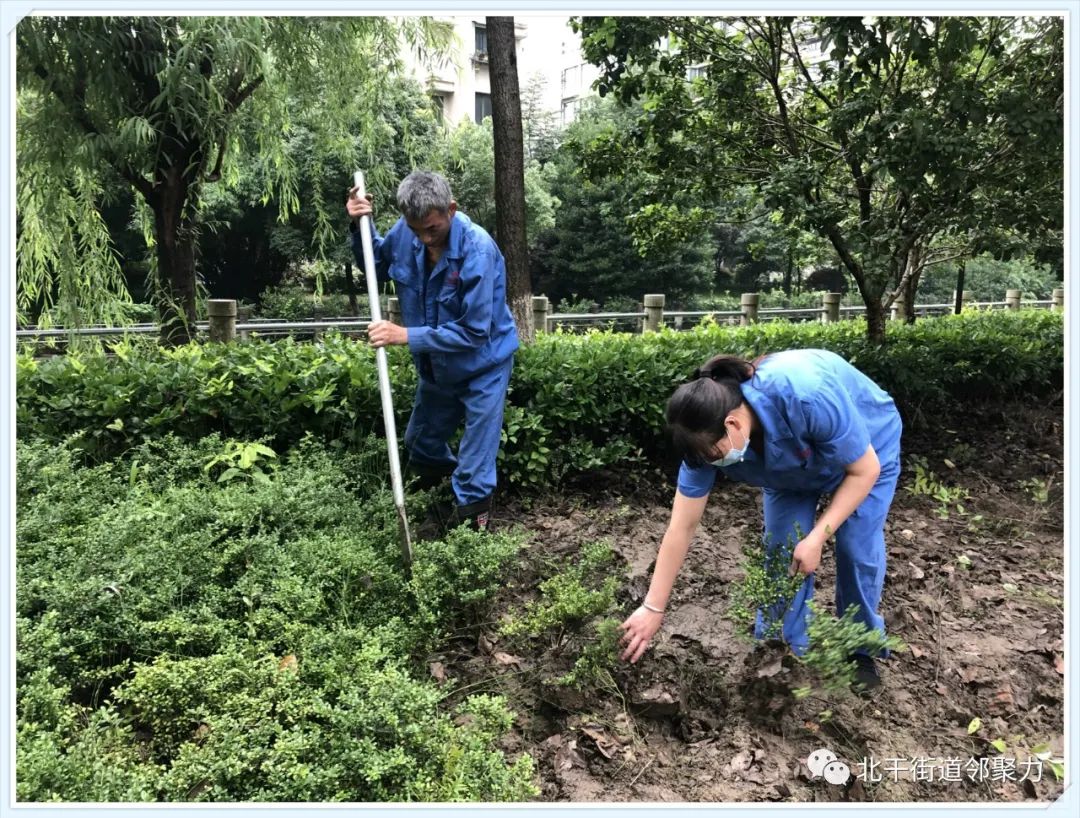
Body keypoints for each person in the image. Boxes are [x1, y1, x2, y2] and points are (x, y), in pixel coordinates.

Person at [618, 349, 903, 692]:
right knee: (782, 552)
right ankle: (780, 650)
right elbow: (682, 526)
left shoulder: (804, 394)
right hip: (789, 471)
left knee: (856, 548)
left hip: (867, 450)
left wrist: (817, 537)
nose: (713, 464)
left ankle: (859, 648)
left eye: (715, 456)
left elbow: (864, 470)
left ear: (732, 424)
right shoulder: (700, 445)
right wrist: (653, 607)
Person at [345, 170, 519, 531]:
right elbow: (374, 264)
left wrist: (405, 336)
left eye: (433, 229)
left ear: (451, 209)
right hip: (437, 368)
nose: (424, 239)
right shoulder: (405, 234)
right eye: (415, 229)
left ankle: (472, 537)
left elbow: (474, 332)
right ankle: (442, 506)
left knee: (474, 467)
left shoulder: (478, 249)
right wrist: (360, 225)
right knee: (420, 443)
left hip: (483, 366)